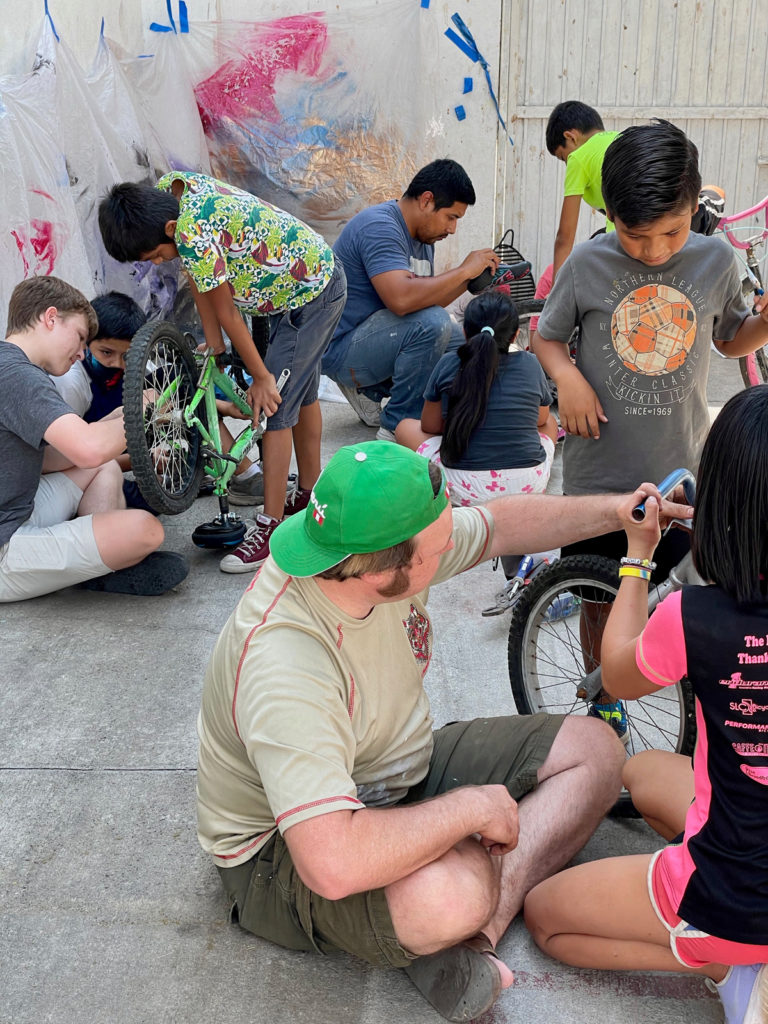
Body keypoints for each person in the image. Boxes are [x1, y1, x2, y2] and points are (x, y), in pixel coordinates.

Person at [195, 439, 694, 1022]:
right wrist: (468, 810)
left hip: (395, 767)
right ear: (382, 571)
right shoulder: (285, 663)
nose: (453, 545)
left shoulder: (363, 549)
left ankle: (477, 932)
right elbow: (330, 864)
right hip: (280, 852)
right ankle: (456, 911)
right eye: (438, 549)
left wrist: (616, 511)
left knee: (598, 753)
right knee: (449, 894)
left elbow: (502, 526)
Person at [524, 386, 768, 1024]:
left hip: (729, 898)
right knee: (643, 772)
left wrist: (638, 555)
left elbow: (616, 675)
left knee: (546, 918)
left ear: (723, 499)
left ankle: (719, 961)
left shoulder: (696, 616)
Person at [532, 118, 768, 735]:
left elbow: (729, 340)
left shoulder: (717, 260)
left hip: (682, 474)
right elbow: (546, 338)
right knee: (598, 597)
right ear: (609, 214)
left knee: (689, 599)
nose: (656, 250)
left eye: (673, 230)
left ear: (695, 208)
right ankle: (605, 698)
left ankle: (697, 704)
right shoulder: (587, 263)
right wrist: (567, 378)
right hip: (599, 475)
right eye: (636, 235)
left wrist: (766, 324)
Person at [98, 172, 347, 571]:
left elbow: (228, 310)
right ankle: (307, 494)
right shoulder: (170, 194)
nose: (160, 262)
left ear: (169, 229)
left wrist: (261, 376)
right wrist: (214, 343)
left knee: (275, 407)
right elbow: (200, 275)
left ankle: (271, 530)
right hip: (299, 283)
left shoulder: (190, 229)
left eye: (156, 255)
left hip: (314, 293)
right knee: (303, 394)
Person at [0, 275, 188, 602]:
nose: (80, 353)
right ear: (51, 318)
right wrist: (142, 408)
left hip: (16, 509)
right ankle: (98, 565)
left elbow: (49, 460)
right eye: (80, 336)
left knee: (104, 468)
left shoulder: (11, 365)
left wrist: (114, 420)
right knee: (146, 530)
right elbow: (88, 449)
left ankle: (95, 557)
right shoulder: (18, 375)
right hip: (5, 544)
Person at [320, 159, 499, 439]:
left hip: (378, 339)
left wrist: (470, 280)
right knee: (434, 324)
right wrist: (463, 270)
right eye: (451, 217)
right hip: (341, 348)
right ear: (426, 201)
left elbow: (426, 302)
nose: (453, 229)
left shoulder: (424, 239)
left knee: (456, 340)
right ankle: (396, 427)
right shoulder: (380, 226)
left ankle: (375, 392)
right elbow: (401, 300)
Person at [545, 101, 619, 281]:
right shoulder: (622, 138)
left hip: (624, 240)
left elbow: (565, 237)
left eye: (563, 157)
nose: (567, 162)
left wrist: (557, 290)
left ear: (570, 137)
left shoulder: (579, 158)